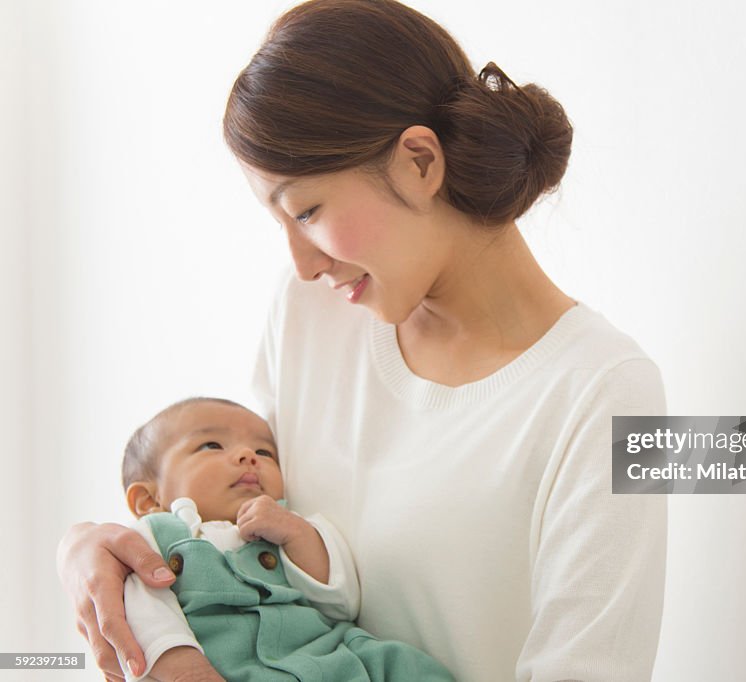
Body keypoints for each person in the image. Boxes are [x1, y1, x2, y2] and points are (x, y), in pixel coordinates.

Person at [57, 1, 668, 680]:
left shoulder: (607, 392)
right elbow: (232, 537)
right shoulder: (313, 314)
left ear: (418, 162)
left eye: (308, 211)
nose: (303, 262)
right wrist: (87, 548)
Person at [117, 396, 454, 681]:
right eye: (212, 445)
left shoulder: (289, 525)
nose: (247, 455)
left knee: (401, 663)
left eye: (265, 452)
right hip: (223, 669)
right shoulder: (153, 536)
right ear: (148, 500)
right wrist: (184, 668)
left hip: (328, 660)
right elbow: (145, 615)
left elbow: (342, 602)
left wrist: (296, 534)